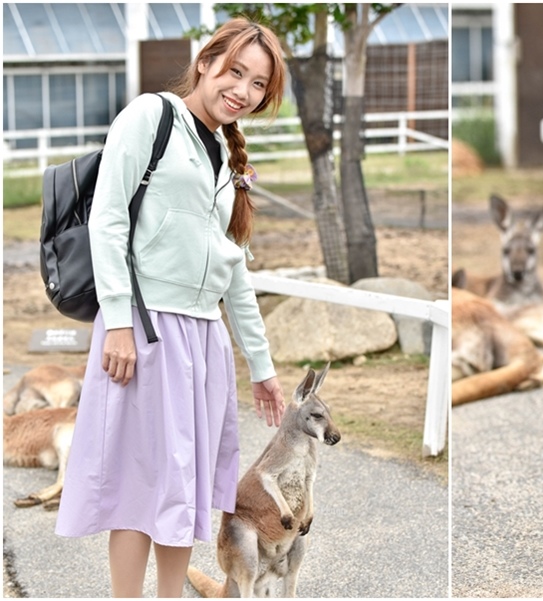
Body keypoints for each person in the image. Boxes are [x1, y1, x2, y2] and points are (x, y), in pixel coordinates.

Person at [55, 18, 288, 598]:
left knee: (183, 488)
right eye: (236, 72)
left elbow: (233, 269)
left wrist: (261, 367)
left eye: (258, 84)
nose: (243, 90)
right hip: (144, 327)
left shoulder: (228, 156)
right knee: (140, 488)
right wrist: (116, 323)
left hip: (204, 341)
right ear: (206, 62)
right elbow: (107, 220)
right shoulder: (150, 117)